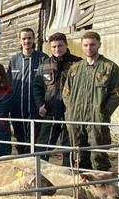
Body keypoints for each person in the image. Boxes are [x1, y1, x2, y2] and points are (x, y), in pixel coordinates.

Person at [62, 31, 119, 171]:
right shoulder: (75, 68)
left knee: (98, 155)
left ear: (99, 45)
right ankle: (81, 188)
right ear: (82, 46)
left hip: (96, 119)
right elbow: (66, 93)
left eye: (92, 45)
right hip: (76, 120)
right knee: (77, 154)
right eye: (85, 45)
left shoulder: (109, 67)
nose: (89, 48)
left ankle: (101, 187)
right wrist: (70, 110)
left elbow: (117, 93)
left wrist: (103, 112)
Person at [33, 32, 82, 164]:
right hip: (50, 111)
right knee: (43, 147)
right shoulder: (45, 64)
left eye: (60, 46)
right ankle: (40, 177)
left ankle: (67, 177)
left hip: (70, 113)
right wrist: (40, 105)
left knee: (69, 148)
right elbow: (37, 87)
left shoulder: (78, 64)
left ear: (66, 45)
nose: (57, 49)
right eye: (53, 47)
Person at [7, 27, 46, 154]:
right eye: (24, 38)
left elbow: (49, 84)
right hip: (17, 109)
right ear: (20, 41)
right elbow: (7, 84)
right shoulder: (14, 60)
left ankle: (36, 169)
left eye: (29, 38)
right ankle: (23, 168)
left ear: (34, 39)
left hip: (37, 109)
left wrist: (43, 104)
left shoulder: (43, 59)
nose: (27, 41)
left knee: (36, 142)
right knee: (20, 141)